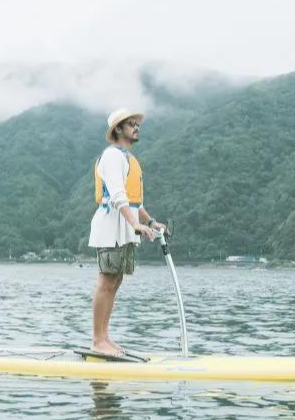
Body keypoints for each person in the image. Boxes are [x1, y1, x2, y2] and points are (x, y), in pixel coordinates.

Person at [88, 108, 167, 357]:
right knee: (106, 279)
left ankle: (105, 337)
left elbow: (136, 202)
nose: (136, 127)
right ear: (118, 129)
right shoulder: (112, 156)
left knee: (116, 280)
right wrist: (135, 224)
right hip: (113, 224)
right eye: (131, 124)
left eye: (137, 124)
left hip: (127, 223)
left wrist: (150, 222)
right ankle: (97, 340)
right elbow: (118, 196)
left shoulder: (128, 158)